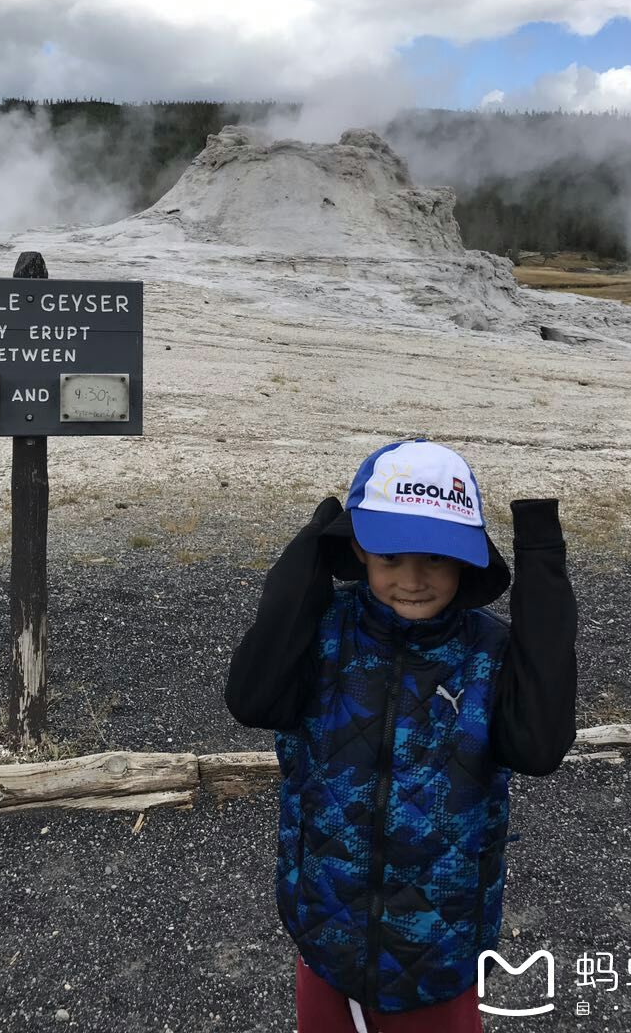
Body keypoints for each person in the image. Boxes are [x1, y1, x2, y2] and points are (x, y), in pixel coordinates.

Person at [224, 439, 578, 1032]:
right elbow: (252, 700)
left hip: (439, 947)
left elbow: (538, 747)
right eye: (391, 557)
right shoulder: (319, 634)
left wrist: (541, 556)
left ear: (466, 559)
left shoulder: (489, 653)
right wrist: (307, 558)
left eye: (435, 558)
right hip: (326, 928)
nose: (412, 580)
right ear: (358, 548)